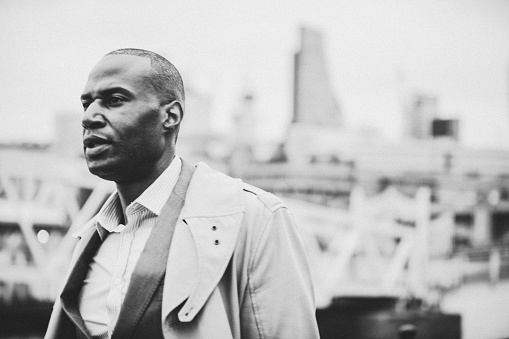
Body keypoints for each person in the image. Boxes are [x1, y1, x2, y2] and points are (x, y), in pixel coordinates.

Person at [44, 48, 319, 339]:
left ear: (170, 116)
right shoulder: (89, 239)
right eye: (86, 103)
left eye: (115, 100)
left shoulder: (257, 218)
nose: (89, 117)